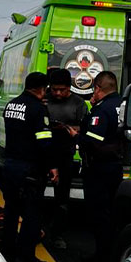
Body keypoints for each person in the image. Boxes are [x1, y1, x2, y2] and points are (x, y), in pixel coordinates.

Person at [68, 71, 124, 262]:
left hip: (99, 169)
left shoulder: (102, 110)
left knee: (99, 217)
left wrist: (76, 136)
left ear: (99, 89)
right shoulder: (122, 105)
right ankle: (104, 257)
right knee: (110, 216)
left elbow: (92, 141)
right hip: (116, 167)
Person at [2, 72, 58, 262]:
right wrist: (52, 166)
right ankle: (25, 256)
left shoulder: (11, 105)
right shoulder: (38, 110)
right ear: (42, 89)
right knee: (31, 213)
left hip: (10, 164)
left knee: (11, 209)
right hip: (30, 168)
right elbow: (44, 142)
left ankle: (7, 247)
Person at [45, 69, 86, 249]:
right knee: (34, 195)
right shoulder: (43, 99)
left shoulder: (78, 103)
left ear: (69, 88)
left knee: (62, 198)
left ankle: (57, 234)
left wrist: (68, 128)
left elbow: (84, 128)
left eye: (62, 90)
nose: (58, 93)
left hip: (65, 156)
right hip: (43, 154)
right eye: (54, 90)